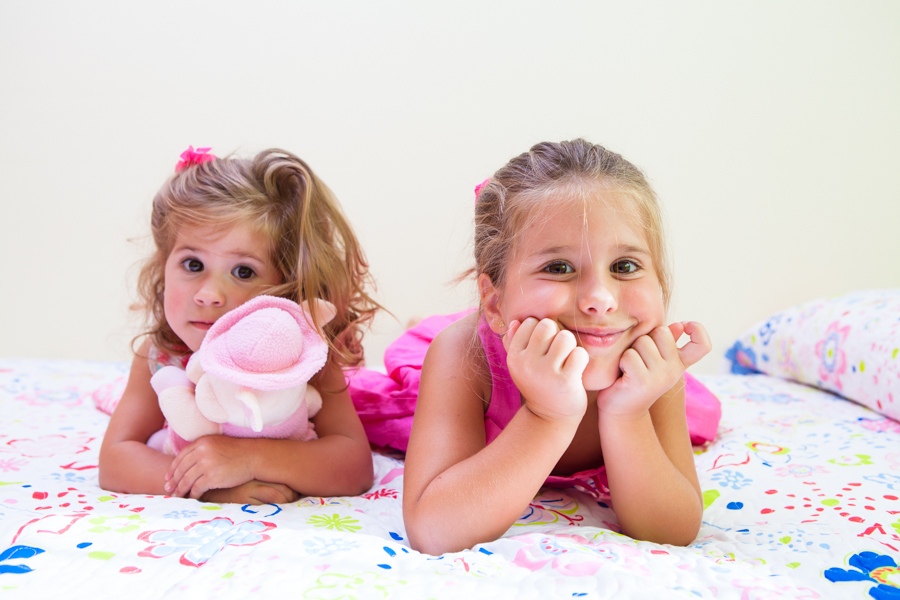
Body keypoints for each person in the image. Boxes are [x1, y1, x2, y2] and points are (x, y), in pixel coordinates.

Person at [399, 139, 720, 554]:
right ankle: (419, 325)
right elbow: (434, 531)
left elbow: (673, 531)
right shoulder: (464, 357)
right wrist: (547, 414)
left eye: (625, 267)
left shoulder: (647, 365)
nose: (600, 299)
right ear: (494, 302)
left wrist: (629, 413)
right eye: (559, 268)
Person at [99, 146, 379, 505]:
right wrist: (211, 485)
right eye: (193, 264)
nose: (210, 294)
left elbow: (353, 468)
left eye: (243, 272)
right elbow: (116, 459)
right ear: (163, 263)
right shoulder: (162, 355)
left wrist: (248, 459)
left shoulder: (305, 359)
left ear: (286, 285)